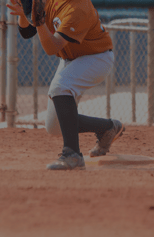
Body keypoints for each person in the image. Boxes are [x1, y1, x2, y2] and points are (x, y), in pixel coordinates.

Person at [7, 0, 125, 170]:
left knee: (60, 87)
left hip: (96, 58)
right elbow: (27, 32)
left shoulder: (78, 8)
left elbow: (51, 48)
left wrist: (39, 20)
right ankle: (107, 127)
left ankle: (72, 155)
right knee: (54, 127)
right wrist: (26, 14)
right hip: (70, 59)